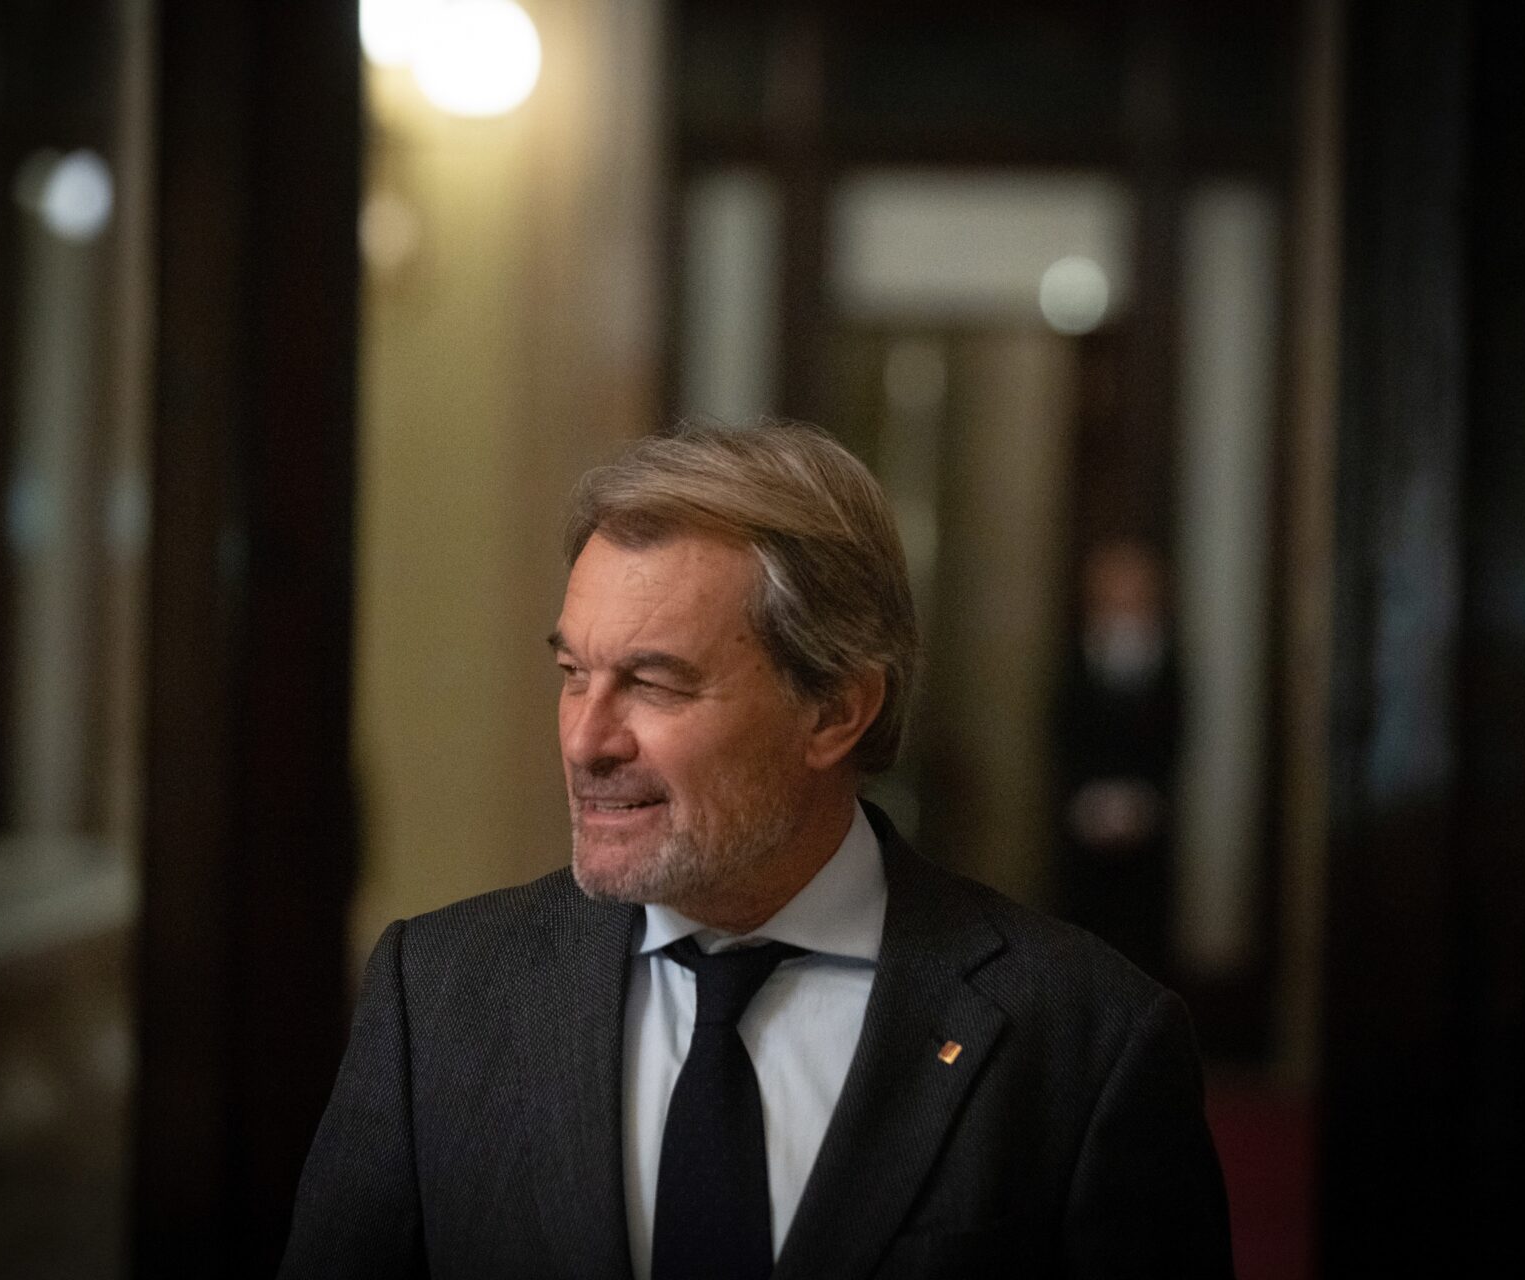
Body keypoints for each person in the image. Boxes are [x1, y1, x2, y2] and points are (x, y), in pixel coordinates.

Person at [280, 422, 1233, 1279]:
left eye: (653, 683)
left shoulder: (1085, 1042)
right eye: (574, 674)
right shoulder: (438, 997)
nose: (585, 740)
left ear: (835, 709)